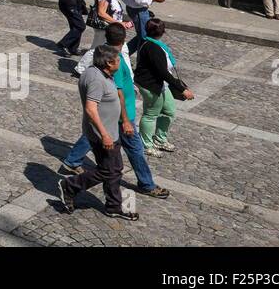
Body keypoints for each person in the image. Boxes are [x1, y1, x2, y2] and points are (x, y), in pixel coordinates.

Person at [59, 23, 170, 199]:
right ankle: (146, 184)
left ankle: (74, 161)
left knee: (109, 156)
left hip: (116, 117)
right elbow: (117, 93)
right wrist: (125, 120)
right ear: (124, 39)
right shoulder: (113, 62)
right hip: (122, 118)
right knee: (131, 154)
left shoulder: (111, 57)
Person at [57, 44, 139, 221]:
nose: (120, 63)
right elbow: (91, 109)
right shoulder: (96, 80)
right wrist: (105, 134)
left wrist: (124, 120)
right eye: (118, 60)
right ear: (109, 63)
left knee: (113, 169)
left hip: (109, 131)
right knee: (109, 170)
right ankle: (70, 185)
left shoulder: (99, 72)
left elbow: (115, 97)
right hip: (104, 134)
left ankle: (113, 206)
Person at [135, 17, 195, 153]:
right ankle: (147, 145)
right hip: (151, 85)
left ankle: (160, 139)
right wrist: (182, 89)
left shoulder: (152, 44)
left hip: (160, 84)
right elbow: (163, 73)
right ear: (162, 32)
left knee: (169, 111)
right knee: (150, 114)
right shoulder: (153, 48)